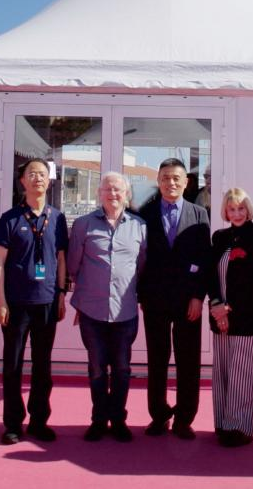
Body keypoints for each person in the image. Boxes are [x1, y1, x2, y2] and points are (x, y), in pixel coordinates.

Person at [67, 172, 148, 442]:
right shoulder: (83, 225)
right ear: (99, 193)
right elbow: (74, 265)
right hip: (92, 311)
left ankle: (119, 420)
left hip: (125, 311)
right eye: (107, 189)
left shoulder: (139, 226)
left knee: (122, 369)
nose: (113, 194)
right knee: (97, 368)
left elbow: (142, 265)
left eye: (118, 190)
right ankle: (99, 420)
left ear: (126, 194)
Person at [0, 159, 68, 445]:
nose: (38, 178)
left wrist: (61, 294)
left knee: (42, 365)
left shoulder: (57, 218)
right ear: (22, 181)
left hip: (47, 301)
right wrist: (1, 301)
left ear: (49, 180)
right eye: (32, 174)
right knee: (12, 365)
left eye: (42, 174)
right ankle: (12, 423)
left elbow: (61, 258)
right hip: (15, 302)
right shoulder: (9, 218)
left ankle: (39, 421)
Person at [138, 157, 211, 439]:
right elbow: (139, 257)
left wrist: (198, 296)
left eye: (176, 178)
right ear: (158, 181)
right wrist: (141, 294)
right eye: (165, 178)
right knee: (157, 359)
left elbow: (204, 258)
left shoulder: (199, 213)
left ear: (186, 182)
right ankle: (159, 416)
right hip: (154, 298)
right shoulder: (145, 213)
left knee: (188, 360)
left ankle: (184, 419)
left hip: (187, 300)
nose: (171, 183)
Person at [207, 187, 253, 447]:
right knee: (222, 372)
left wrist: (229, 308)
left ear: (248, 209)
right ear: (225, 211)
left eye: (241, 208)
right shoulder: (219, 237)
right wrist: (216, 305)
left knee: (242, 375)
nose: (237, 213)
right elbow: (210, 275)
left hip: (247, 317)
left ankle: (240, 427)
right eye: (232, 209)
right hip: (219, 316)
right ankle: (223, 423)